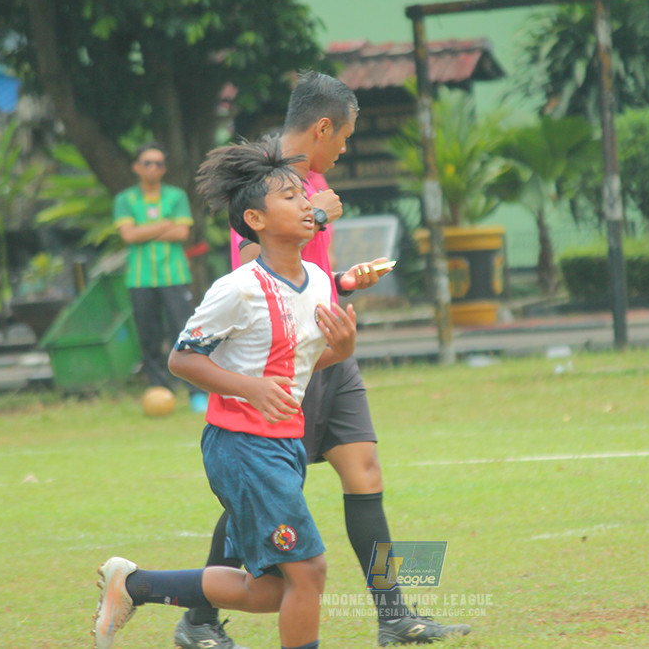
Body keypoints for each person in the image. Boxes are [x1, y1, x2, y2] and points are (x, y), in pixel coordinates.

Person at [175, 72, 471, 648]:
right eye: (345, 138)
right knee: (256, 497)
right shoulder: (273, 186)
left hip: (336, 354)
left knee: (365, 474)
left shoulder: (308, 187)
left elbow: (301, 278)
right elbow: (257, 265)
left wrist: (341, 283)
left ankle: (394, 616)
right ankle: (199, 618)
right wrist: (320, 214)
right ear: (322, 127)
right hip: (292, 364)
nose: (344, 150)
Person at [92, 136, 358, 649]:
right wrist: (249, 389)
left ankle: (136, 585)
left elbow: (299, 366)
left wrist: (340, 351)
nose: (307, 204)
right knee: (310, 571)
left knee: (268, 591)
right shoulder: (237, 288)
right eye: (289, 197)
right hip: (241, 446)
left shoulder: (321, 284)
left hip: (284, 444)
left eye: (305, 195)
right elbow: (181, 358)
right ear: (255, 220)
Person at [114, 142, 208, 413]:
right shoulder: (125, 200)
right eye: (147, 163)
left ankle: (195, 392)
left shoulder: (175, 196)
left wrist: (146, 230)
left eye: (158, 163)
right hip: (140, 278)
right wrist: (166, 224)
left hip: (174, 275)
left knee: (185, 332)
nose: (153, 168)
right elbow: (128, 236)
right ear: (136, 167)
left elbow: (181, 234)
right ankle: (159, 389)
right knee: (149, 336)